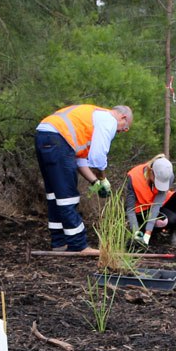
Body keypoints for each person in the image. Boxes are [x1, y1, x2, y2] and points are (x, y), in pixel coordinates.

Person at [33, 103, 133, 254]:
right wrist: (103, 178)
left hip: (44, 135)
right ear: (122, 117)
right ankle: (79, 245)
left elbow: (80, 161)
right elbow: (98, 158)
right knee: (68, 198)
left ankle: (59, 243)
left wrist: (95, 182)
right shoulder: (109, 120)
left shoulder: (91, 121)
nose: (121, 132)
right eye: (124, 128)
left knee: (55, 195)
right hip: (58, 139)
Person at [123, 155, 176, 249]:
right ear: (151, 172)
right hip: (141, 211)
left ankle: (173, 233)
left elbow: (157, 204)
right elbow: (130, 209)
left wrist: (148, 234)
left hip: (159, 205)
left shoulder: (168, 175)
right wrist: (137, 232)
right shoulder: (134, 177)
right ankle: (142, 230)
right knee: (170, 220)